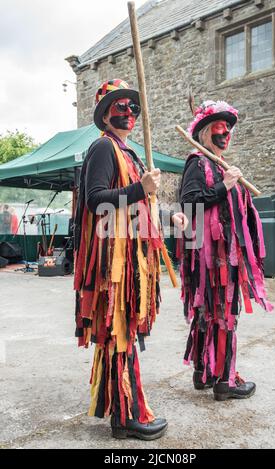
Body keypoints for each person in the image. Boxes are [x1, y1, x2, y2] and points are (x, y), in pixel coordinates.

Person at [74, 79, 186, 439]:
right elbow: (97, 200)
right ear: (105, 114)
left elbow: (142, 204)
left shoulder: (128, 153)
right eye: (120, 107)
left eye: (133, 107)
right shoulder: (104, 148)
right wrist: (142, 188)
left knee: (120, 337)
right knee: (119, 335)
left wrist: (169, 216)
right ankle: (127, 416)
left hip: (131, 260)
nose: (128, 113)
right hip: (114, 266)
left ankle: (123, 416)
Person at [178, 99, 273, 401]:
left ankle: (204, 372)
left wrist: (231, 183)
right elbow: (189, 203)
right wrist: (226, 186)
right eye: (218, 128)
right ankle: (225, 381)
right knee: (223, 313)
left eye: (228, 129)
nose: (225, 134)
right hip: (212, 258)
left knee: (213, 313)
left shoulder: (217, 165)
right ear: (204, 132)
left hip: (225, 255)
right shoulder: (197, 162)